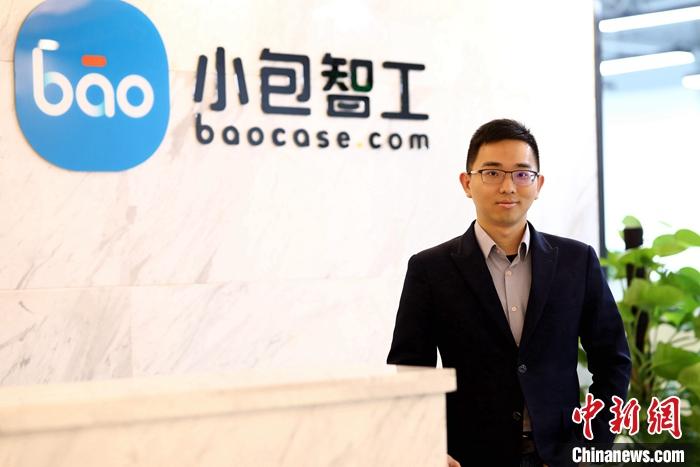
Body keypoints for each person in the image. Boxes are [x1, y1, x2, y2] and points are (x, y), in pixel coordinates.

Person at [387, 119, 631, 466]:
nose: (507, 186)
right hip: (468, 458)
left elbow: (613, 362)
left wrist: (590, 447)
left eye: (521, 173)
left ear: (538, 184)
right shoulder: (430, 269)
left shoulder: (577, 261)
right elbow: (413, 370)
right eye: (492, 173)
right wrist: (428, 447)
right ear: (467, 183)